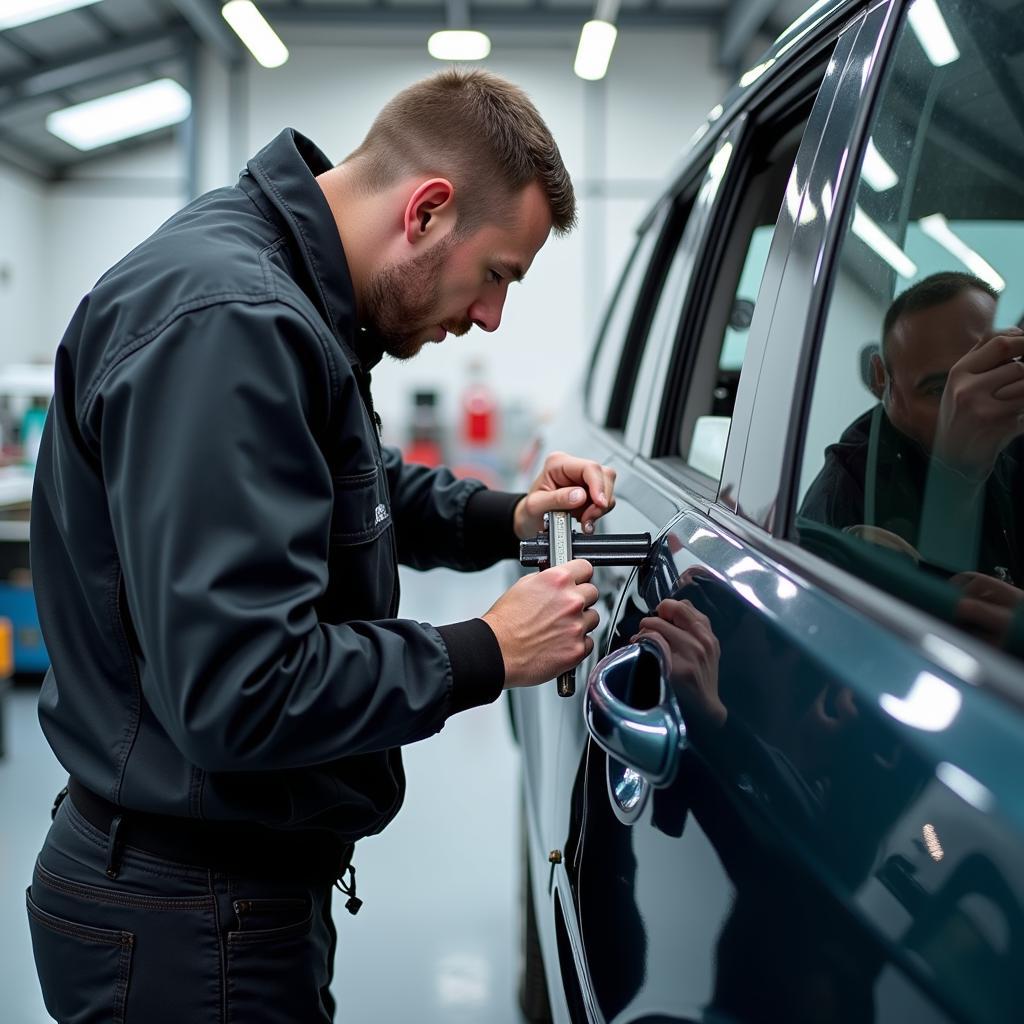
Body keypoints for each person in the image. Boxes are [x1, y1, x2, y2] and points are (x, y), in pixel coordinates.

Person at [26, 69, 617, 1022]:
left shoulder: (283, 293)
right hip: (189, 922)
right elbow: (243, 689)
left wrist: (503, 515)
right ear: (427, 211)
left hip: (208, 894)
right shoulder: (235, 324)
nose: (491, 316)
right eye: (499, 275)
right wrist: (486, 651)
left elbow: (349, 487)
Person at [800, 271, 1024, 586]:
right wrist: (957, 473)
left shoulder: (1014, 446)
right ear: (881, 378)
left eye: (987, 374)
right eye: (938, 389)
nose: (970, 405)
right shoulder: (846, 496)